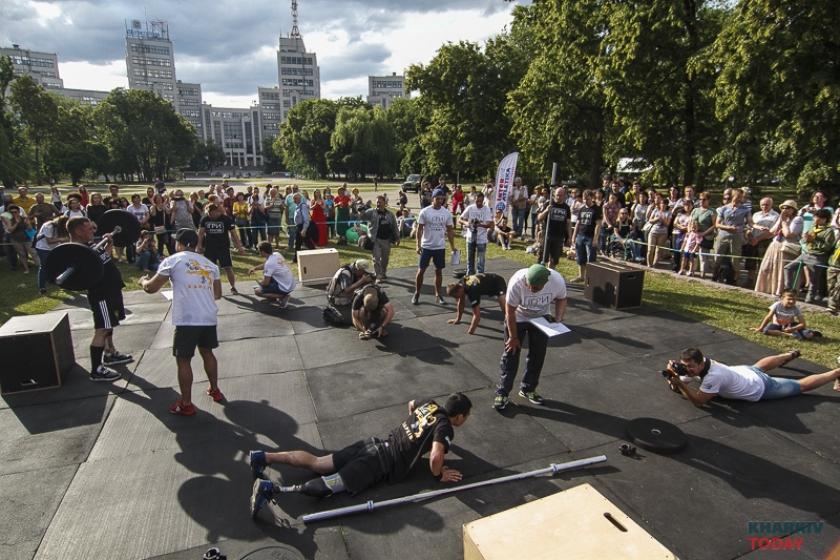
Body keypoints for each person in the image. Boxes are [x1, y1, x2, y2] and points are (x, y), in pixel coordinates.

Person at [248, 393, 472, 517]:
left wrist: (414, 432)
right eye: (467, 416)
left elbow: (411, 404)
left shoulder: (430, 404)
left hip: (372, 444)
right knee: (331, 484)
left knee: (318, 463)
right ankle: (272, 489)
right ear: (460, 416)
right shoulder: (445, 427)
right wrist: (439, 475)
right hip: (378, 463)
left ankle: (263, 457)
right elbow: (435, 458)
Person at [139, 229, 224, 416]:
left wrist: (143, 281)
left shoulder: (173, 260)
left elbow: (151, 288)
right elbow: (217, 294)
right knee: (207, 352)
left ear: (180, 244)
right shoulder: (210, 264)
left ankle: (186, 404)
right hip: (208, 316)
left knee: (183, 360)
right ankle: (215, 389)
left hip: (188, 319)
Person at [494, 264, 567, 411]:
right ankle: (503, 392)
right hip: (518, 317)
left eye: (535, 288)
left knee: (538, 354)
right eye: (529, 286)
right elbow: (510, 312)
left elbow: (562, 298)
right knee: (511, 353)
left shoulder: (557, 280)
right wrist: (513, 337)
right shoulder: (517, 282)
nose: (531, 289)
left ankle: (528, 389)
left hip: (541, 317)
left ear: (545, 283)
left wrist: (558, 319)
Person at [66, 217, 131, 381]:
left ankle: (110, 353)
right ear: (78, 231)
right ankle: (96, 370)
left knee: (109, 324)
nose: (93, 232)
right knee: (102, 329)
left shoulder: (90, 246)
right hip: (101, 294)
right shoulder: (76, 252)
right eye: (89, 229)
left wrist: (109, 244)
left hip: (111, 290)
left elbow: (104, 258)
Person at [663, 347, 840, 406]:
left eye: (691, 367)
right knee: (758, 367)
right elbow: (677, 385)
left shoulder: (713, 376)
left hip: (759, 387)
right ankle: (789, 354)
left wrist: (680, 383)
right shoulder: (700, 363)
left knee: (801, 386)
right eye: (685, 366)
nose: (688, 370)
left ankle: (836, 372)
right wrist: (673, 375)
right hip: (743, 371)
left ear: (700, 363)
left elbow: (699, 402)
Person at [413, 188, 456, 305]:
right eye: (438, 199)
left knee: (439, 271)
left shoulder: (446, 213)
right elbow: (419, 229)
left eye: (442, 199)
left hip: (439, 247)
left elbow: (450, 231)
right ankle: (417, 293)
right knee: (421, 271)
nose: (440, 201)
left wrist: (453, 246)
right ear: (433, 198)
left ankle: (438, 294)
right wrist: (417, 245)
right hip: (426, 246)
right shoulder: (425, 212)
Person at [784, 208, 834, 304]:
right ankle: (788, 291)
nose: (816, 219)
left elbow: (827, 247)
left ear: (825, 219)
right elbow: (805, 240)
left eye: (819, 217)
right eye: (815, 217)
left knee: (813, 280)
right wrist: (805, 238)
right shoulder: (813, 227)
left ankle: (810, 299)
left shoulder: (829, 231)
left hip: (818, 257)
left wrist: (814, 241)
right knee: (788, 268)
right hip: (806, 254)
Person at [197, 203, 246, 294]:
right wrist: (199, 245)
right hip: (210, 248)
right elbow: (200, 233)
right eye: (208, 214)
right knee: (208, 269)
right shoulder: (205, 219)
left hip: (223, 247)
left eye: (212, 213)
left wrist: (239, 247)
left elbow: (234, 234)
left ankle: (233, 287)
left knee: (228, 267)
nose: (210, 216)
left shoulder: (226, 219)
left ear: (217, 211)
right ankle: (208, 288)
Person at [753, 290, 820, 340]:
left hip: (790, 326)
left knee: (808, 335)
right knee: (765, 330)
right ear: (782, 299)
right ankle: (788, 335)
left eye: (794, 299)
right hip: (777, 325)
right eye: (789, 299)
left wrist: (792, 328)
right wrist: (760, 328)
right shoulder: (777, 305)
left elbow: (803, 324)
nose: (791, 301)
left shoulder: (796, 308)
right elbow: (768, 317)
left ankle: (812, 332)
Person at [325, 259, 375, 325]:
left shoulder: (352, 269)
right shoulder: (345, 273)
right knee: (355, 318)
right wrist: (362, 281)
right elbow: (346, 290)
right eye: (363, 271)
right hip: (337, 299)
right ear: (358, 269)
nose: (364, 273)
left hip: (345, 296)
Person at [363, 195, 400, 279]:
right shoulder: (371, 212)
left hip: (386, 240)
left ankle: (383, 273)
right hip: (375, 238)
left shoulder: (390, 214)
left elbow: (394, 226)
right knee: (376, 258)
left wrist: (397, 237)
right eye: (377, 202)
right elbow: (362, 217)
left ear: (384, 203)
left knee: (385, 259)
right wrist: (361, 209)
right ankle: (378, 274)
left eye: (380, 202)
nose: (378, 204)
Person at [249, 241, 296, 307]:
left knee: (257, 291)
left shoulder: (269, 263)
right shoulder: (277, 254)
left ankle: (283, 296)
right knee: (266, 275)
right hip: (290, 283)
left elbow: (266, 283)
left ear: (263, 252)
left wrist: (260, 284)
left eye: (259, 251)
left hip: (285, 287)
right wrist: (255, 268)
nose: (258, 252)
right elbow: (265, 265)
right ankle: (273, 298)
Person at [458, 191, 494, 275]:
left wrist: (480, 225)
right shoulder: (470, 208)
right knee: (469, 259)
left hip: (481, 238)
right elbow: (460, 219)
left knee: (480, 260)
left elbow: (490, 224)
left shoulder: (486, 209)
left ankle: (480, 276)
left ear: (483, 200)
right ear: (475, 199)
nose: (479, 203)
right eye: (477, 201)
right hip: (470, 237)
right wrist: (466, 223)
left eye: (480, 201)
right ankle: (469, 275)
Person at [570, 189, 602, 283]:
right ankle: (581, 276)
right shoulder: (582, 209)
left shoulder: (597, 209)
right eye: (584, 199)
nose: (585, 201)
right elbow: (577, 223)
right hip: (580, 236)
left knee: (591, 258)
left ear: (592, 198)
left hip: (590, 237)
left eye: (587, 199)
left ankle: (590, 279)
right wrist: (573, 236)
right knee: (580, 257)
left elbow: (598, 224)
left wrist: (595, 238)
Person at [538, 186, 572, 269]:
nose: (559, 197)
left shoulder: (566, 207)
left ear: (564, 196)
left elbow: (568, 223)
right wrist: (546, 210)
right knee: (543, 257)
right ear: (554, 195)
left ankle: (550, 273)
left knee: (554, 259)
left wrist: (569, 237)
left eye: (561, 195)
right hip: (547, 234)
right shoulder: (548, 204)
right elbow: (539, 218)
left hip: (559, 236)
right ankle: (540, 272)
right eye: (557, 195)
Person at [34, 215, 69, 294]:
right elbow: (49, 241)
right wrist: (62, 239)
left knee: (59, 265)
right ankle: (42, 287)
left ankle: (61, 283)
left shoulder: (61, 228)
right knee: (44, 267)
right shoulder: (48, 226)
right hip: (43, 248)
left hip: (55, 248)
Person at [1, 205, 39, 274]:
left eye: (15, 212)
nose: (14, 214)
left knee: (34, 253)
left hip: (27, 239)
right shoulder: (8, 220)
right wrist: (17, 222)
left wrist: (28, 224)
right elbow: (10, 230)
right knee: (22, 254)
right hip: (16, 240)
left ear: (18, 212)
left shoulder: (24, 218)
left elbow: (30, 229)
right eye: (12, 212)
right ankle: (26, 269)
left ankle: (40, 266)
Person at [292, 192, 315, 261]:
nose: (294, 200)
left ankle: (316, 255)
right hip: (299, 227)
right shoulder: (297, 206)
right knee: (298, 243)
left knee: (307, 243)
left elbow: (306, 219)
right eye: (293, 199)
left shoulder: (303, 206)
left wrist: (304, 230)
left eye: (295, 198)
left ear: (299, 199)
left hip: (303, 227)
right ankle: (295, 259)